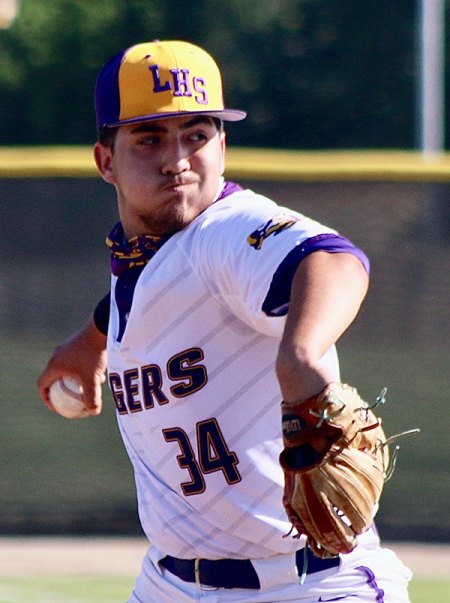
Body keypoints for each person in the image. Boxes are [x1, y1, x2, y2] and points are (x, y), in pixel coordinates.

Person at [37, 40, 412, 602]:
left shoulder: (226, 231)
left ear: (223, 145)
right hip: (170, 583)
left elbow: (333, 258)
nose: (178, 158)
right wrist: (91, 340)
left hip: (306, 584)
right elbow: (153, 289)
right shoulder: (148, 254)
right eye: (150, 138)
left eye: (197, 134)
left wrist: (301, 355)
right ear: (105, 160)